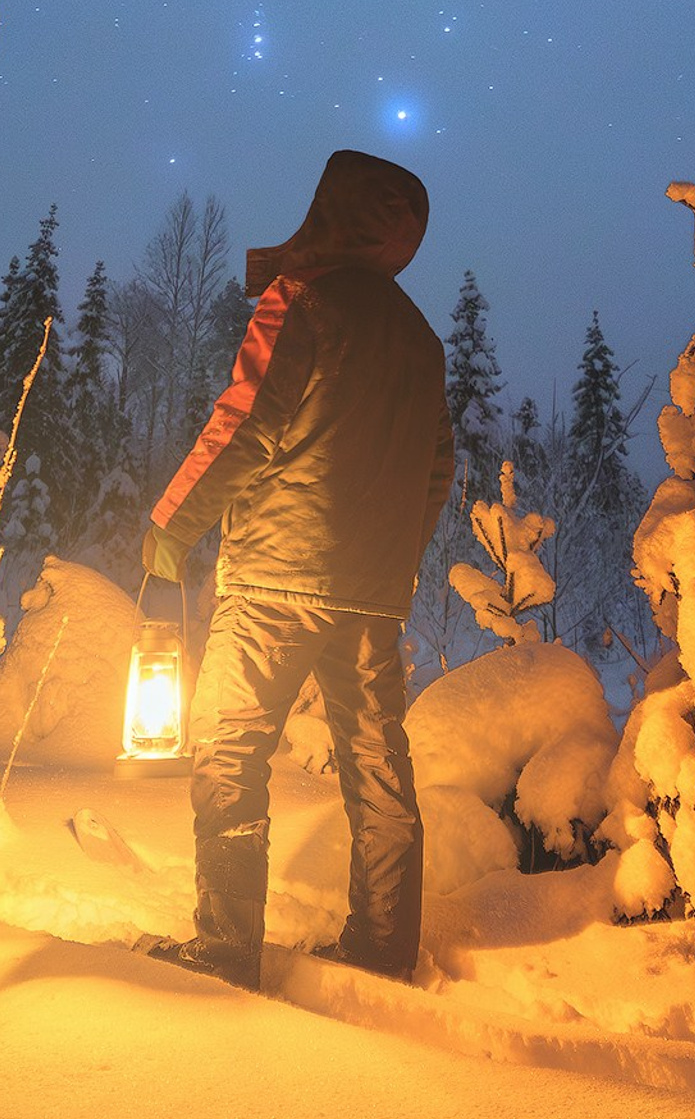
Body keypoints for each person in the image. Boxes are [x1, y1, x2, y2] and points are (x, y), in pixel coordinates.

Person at [139, 149, 453, 988]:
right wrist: (390, 558)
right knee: (378, 767)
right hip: (372, 595)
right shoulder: (423, 340)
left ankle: (225, 946)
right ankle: (384, 949)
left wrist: (173, 522)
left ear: (332, 213)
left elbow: (247, 423)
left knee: (228, 750)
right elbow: (436, 470)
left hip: (278, 571)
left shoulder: (300, 302)